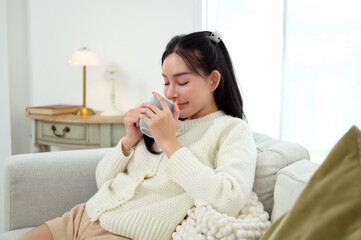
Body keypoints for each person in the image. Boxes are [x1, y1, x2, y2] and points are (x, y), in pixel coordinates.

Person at [18, 31, 257, 240]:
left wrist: (169, 142)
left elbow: (229, 198)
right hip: (83, 216)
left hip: (126, 233)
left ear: (213, 80)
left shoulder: (231, 130)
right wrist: (128, 141)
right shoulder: (160, 121)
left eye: (182, 82)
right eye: (165, 82)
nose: (171, 93)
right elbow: (102, 180)